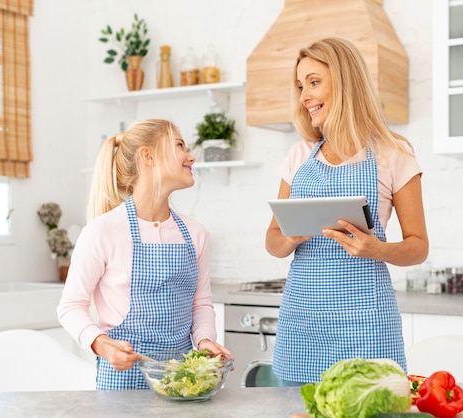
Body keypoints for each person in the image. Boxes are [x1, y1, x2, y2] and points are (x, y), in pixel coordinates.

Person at [265, 38, 429, 385]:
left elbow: (418, 246)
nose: (304, 96)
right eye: (300, 86)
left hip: (365, 322)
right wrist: (291, 237)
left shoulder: (393, 155)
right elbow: (273, 241)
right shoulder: (299, 156)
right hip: (303, 321)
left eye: (313, 82)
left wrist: (377, 250)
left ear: (345, 81)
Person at [57, 118, 232, 390]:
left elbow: (200, 305)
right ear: (147, 156)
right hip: (123, 380)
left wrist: (205, 341)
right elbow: (70, 307)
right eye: (180, 145)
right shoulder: (103, 231)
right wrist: (102, 344)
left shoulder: (195, 233)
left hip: (184, 380)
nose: (191, 156)